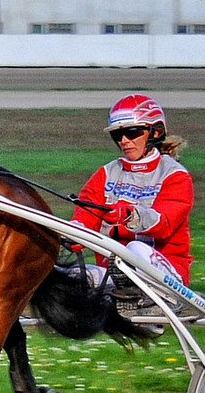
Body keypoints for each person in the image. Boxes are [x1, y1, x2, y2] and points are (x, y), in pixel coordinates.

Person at [69, 94, 193, 317]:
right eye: (118, 135)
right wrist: (72, 234)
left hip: (165, 276)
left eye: (132, 133)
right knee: (68, 275)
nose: (124, 141)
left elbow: (164, 223)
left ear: (155, 132)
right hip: (115, 275)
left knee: (133, 251)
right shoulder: (106, 174)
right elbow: (85, 217)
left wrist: (129, 215)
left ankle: (163, 300)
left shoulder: (175, 175)